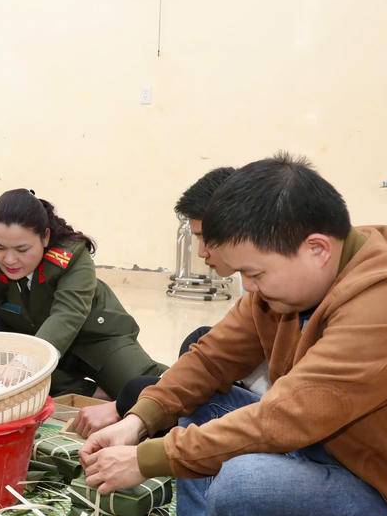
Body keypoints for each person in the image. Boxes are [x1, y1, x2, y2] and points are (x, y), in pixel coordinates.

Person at [80, 154, 387, 516]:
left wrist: (146, 459)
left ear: (317, 249)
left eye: (256, 274)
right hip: (334, 455)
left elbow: (284, 418)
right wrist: (137, 422)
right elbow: (209, 359)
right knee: (193, 398)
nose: (248, 287)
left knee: (245, 485)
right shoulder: (301, 276)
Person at [72, 166, 271, 436]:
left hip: (270, 408)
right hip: (251, 383)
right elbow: (214, 352)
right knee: (194, 344)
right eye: (0, 247)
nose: (201, 252)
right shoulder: (255, 284)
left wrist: (146, 449)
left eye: (205, 238)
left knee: (137, 393)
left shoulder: (277, 283)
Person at [0, 189, 166, 399]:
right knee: (2, 376)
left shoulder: (71, 255)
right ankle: (88, 391)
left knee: (141, 390)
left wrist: (24, 363)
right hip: (35, 341)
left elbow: (68, 315)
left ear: (45, 237)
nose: (9, 260)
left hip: (95, 336)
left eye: (22, 249)